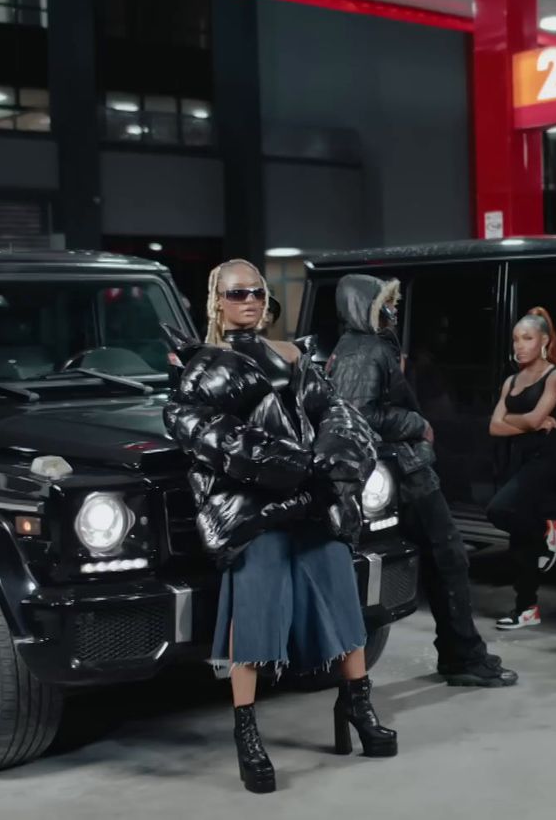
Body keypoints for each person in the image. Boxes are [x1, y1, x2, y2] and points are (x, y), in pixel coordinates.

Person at [162, 259, 394, 794]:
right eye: (235, 292)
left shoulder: (296, 355)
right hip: (254, 511)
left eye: (256, 291)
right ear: (216, 302)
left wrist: (332, 464)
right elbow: (214, 438)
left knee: (342, 594)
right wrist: (298, 466)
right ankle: (247, 731)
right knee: (256, 610)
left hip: (312, 502)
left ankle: (356, 704)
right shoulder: (203, 370)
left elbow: (339, 415)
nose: (248, 299)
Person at [328, 274, 520, 687]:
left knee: (445, 559)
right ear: (365, 308)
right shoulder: (365, 351)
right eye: (385, 304)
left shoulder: (361, 347)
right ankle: (463, 656)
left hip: (403, 469)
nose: (394, 311)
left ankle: (462, 653)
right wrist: (416, 422)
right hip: (404, 471)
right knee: (448, 557)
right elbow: (358, 415)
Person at [486, 308, 556, 630]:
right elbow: (494, 426)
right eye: (516, 339)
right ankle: (526, 608)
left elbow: (535, 420)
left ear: (544, 341)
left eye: (528, 338)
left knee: (499, 510)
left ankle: (547, 529)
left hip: (544, 460)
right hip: (516, 458)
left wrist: (515, 421)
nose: (520, 345)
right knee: (519, 540)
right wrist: (527, 423)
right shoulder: (511, 381)